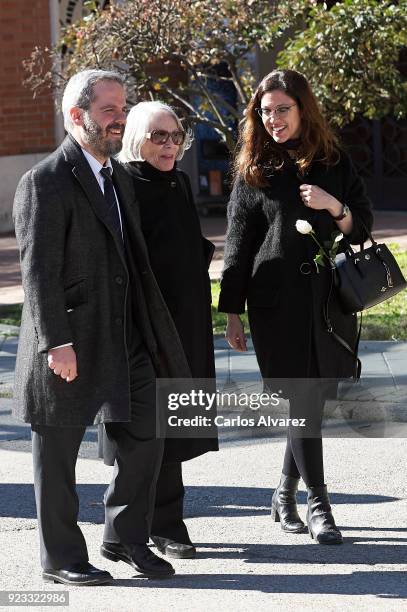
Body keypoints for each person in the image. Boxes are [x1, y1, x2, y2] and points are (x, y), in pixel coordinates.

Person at [13, 69, 192, 584]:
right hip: (68, 341)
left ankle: (124, 536)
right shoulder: (44, 181)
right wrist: (57, 343)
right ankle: (62, 559)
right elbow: (38, 271)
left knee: (148, 435)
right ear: (78, 116)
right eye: (109, 109)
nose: (120, 118)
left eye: (122, 107)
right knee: (57, 456)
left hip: (124, 336)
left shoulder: (117, 179)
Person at [218, 69, 373, 544]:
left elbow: (361, 228)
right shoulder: (255, 169)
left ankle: (284, 492)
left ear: (303, 108)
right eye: (264, 112)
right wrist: (231, 310)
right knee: (300, 399)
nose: (273, 120)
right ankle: (319, 504)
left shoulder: (333, 160)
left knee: (309, 402)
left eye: (282, 109)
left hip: (330, 303)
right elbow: (239, 244)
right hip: (276, 305)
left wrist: (333, 206)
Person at [108, 100, 217, 558]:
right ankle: (159, 524)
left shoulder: (179, 180)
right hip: (148, 324)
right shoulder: (123, 183)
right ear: (136, 138)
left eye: (175, 136)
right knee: (151, 423)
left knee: (177, 421)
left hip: (187, 318)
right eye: (159, 136)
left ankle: (168, 519)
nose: (170, 144)